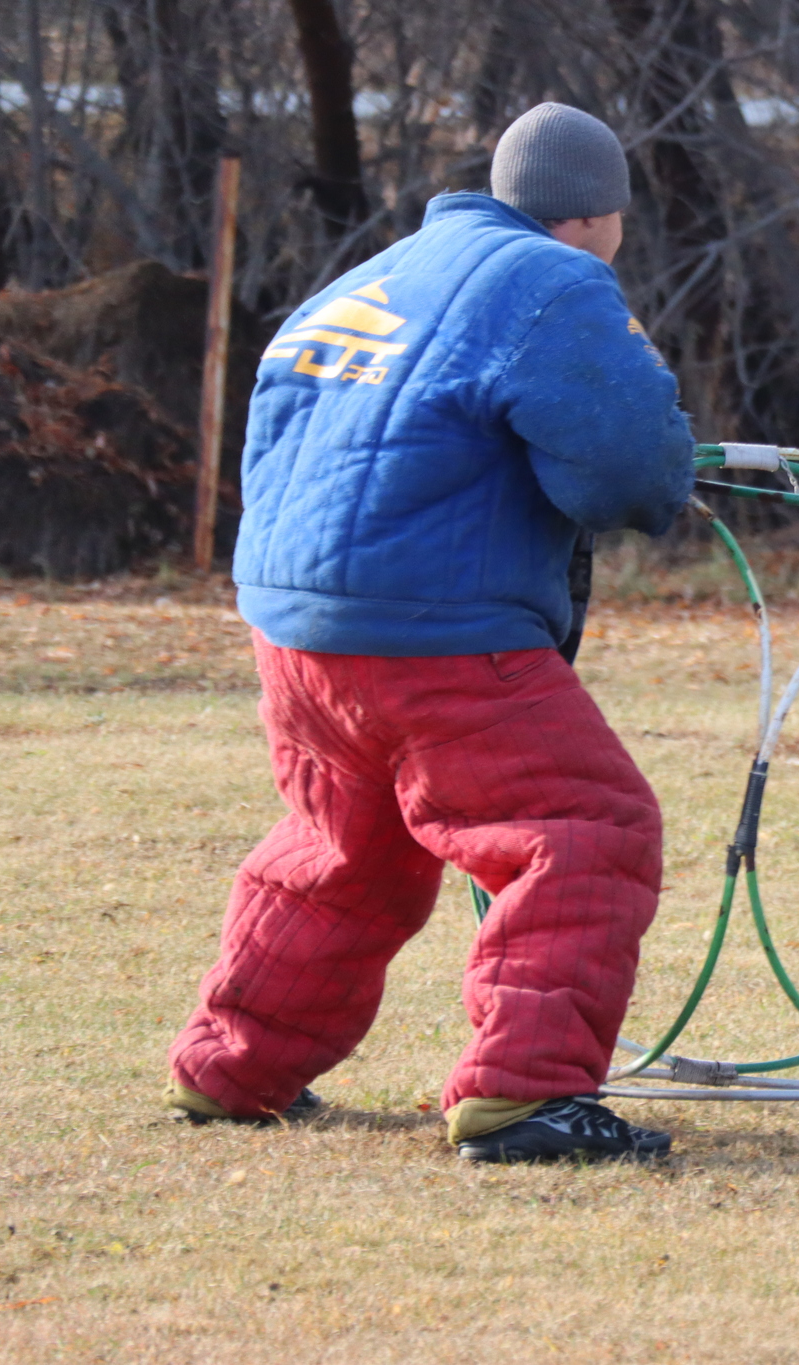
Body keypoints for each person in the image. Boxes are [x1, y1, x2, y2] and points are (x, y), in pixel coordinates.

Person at [164, 103, 694, 1163]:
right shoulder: (553, 282)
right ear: (599, 215)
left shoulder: (368, 278)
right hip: (436, 632)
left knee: (346, 850)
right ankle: (525, 1094)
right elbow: (630, 467)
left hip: (297, 625)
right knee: (585, 827)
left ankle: (234, 1069)